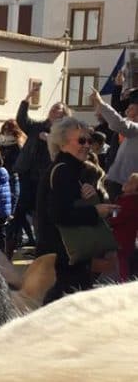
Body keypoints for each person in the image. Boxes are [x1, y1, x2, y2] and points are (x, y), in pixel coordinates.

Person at [36, 116, 115, 302]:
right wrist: (96, 212)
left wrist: (89, 197)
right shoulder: (64, 170)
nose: (87, 145)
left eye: (89, 140)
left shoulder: (69, 169)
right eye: (81, 140)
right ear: (62, 144)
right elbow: (61, 215)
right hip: (63, 261)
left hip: (63, 258)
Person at [15, 95, 67, 253]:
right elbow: (22, 120)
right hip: (27, 172)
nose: (53, 110)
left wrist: (49, 139)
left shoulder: (64, 131)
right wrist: (26, 100)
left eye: (57, 109)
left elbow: (63, 148)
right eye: (52, 108)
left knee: (40, 210)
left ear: (64, 114)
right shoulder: (38, 126)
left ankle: (41, 245)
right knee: (21, 209)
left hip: (45, 176)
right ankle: (11, 243)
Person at [90, 86, 138, 199]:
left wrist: (100, 102)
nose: (126, 111)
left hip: (128, 185)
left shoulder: (134, 129)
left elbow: (118, 123)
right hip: (117, 180)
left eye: (131, 108)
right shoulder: (128, 130)